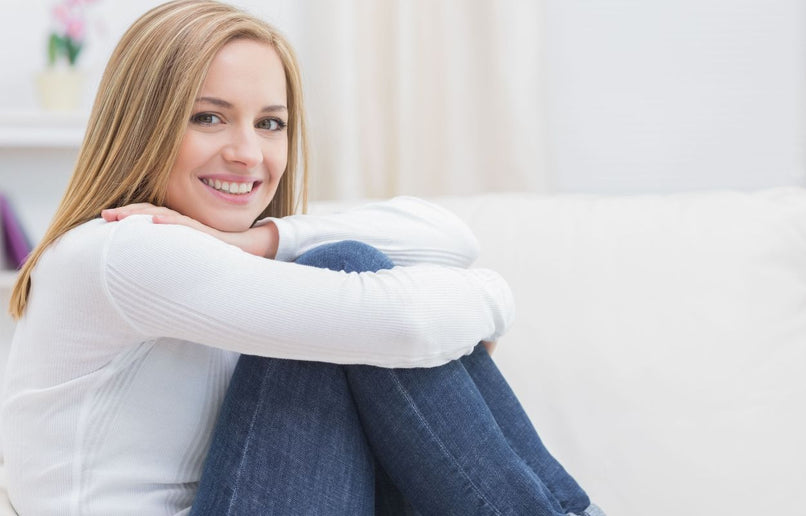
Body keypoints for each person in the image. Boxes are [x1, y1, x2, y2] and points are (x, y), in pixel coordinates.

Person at [1, 1, 605, 515]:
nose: (247, 152)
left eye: (270, 123)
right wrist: (494, 301)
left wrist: (265, 240)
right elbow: (407, 324)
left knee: (342, 305)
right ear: (142, 126)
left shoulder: (222, 258)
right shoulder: (122, 250)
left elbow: (448, 237)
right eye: (208, 117)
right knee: (344, 279)